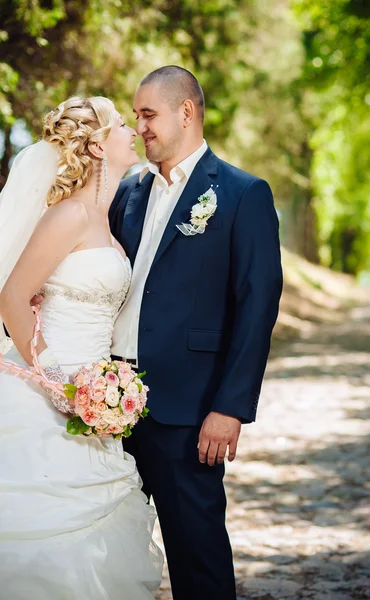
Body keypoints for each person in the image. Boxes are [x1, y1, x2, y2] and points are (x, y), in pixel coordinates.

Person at [110, 66, 283, 600]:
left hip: (188, 409)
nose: (139, 127)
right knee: (110, 544)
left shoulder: (240, 194)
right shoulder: (128, 193)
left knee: (197, 555)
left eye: (148, 114)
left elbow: (257, 307)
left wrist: (230, 408)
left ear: (186, 112)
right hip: (108, 404)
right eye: (136, 116)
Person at [0, 96, 163, 599]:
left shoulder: (104, 219)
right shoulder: (69, 215)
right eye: (120, 125)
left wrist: (101, 387)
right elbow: (10, 298)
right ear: (96, 144)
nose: (131, 131)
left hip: (93, 395)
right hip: (47, 390)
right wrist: (55, 381)